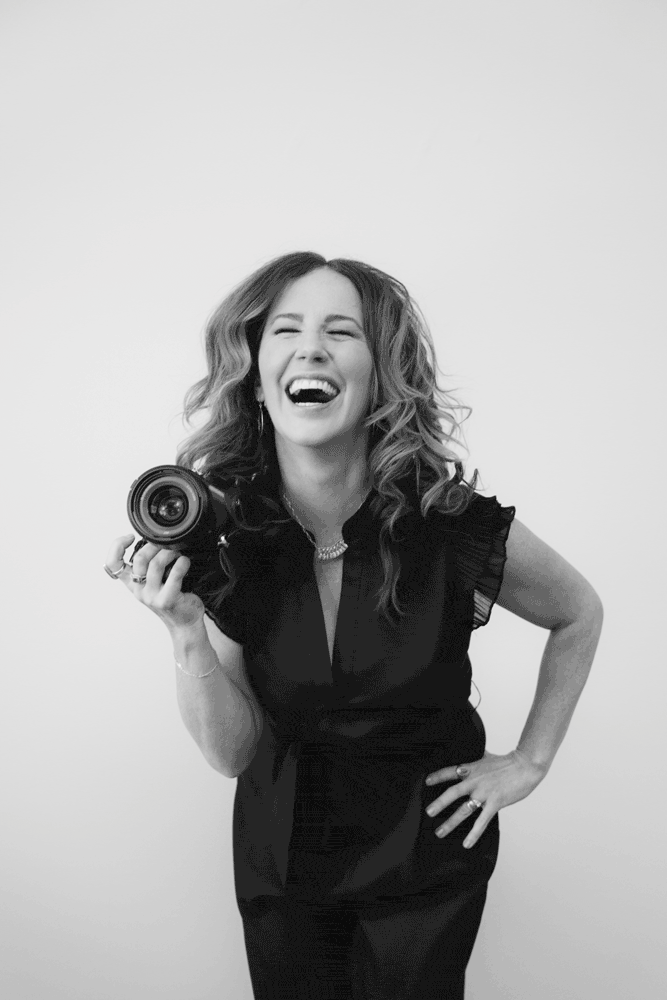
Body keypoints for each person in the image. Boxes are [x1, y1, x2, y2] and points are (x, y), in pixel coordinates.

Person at [104, 252, 604, 999]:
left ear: (378, 372)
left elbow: (577, 612)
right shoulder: (228, 535)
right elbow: (231, 753)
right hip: (283, 865)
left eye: (341, 331)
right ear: (257, 372)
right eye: (286, 330)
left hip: (426, 864)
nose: (311, 348)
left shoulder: (449, 522)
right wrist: (184, 631)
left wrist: (528, 761)